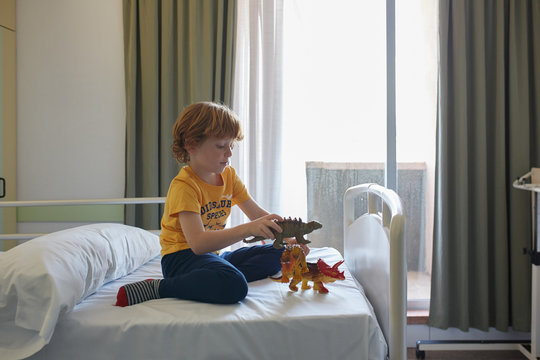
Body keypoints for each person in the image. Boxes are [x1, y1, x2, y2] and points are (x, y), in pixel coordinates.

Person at [115, 101, 306, 306]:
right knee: (235, 286)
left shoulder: (229, 176)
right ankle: (161, 287)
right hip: (180, 260)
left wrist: (289, 239)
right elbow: (198, 244)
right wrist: (248, 229)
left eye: (231, 146)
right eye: (221, 146)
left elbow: (257, 215)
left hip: (212, 257)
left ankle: (216, 274)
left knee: (282, 255)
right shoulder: (184, 186)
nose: (229, 153)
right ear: (191, 145)